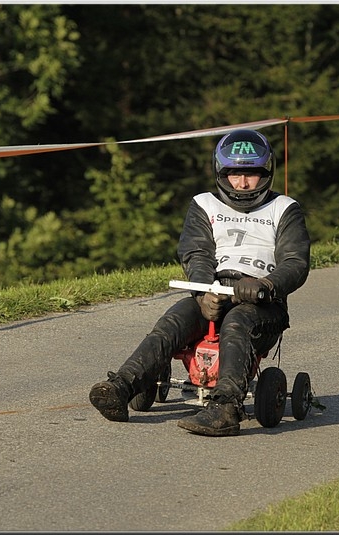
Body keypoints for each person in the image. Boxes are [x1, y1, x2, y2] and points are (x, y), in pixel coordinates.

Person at [88, 128, 311, 436]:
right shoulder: (204, 204)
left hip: (262, 304)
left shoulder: (284, 208)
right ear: (221, 172)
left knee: (237, 321)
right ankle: (121, 387)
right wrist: (203, 292)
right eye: (234, 174)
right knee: (174, 319)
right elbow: (197, 253)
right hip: (213, 293)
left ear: (266, 173)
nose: (242, 183)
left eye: (251, 174)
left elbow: (295, 262)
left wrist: (266, 285)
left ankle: (226, 408)